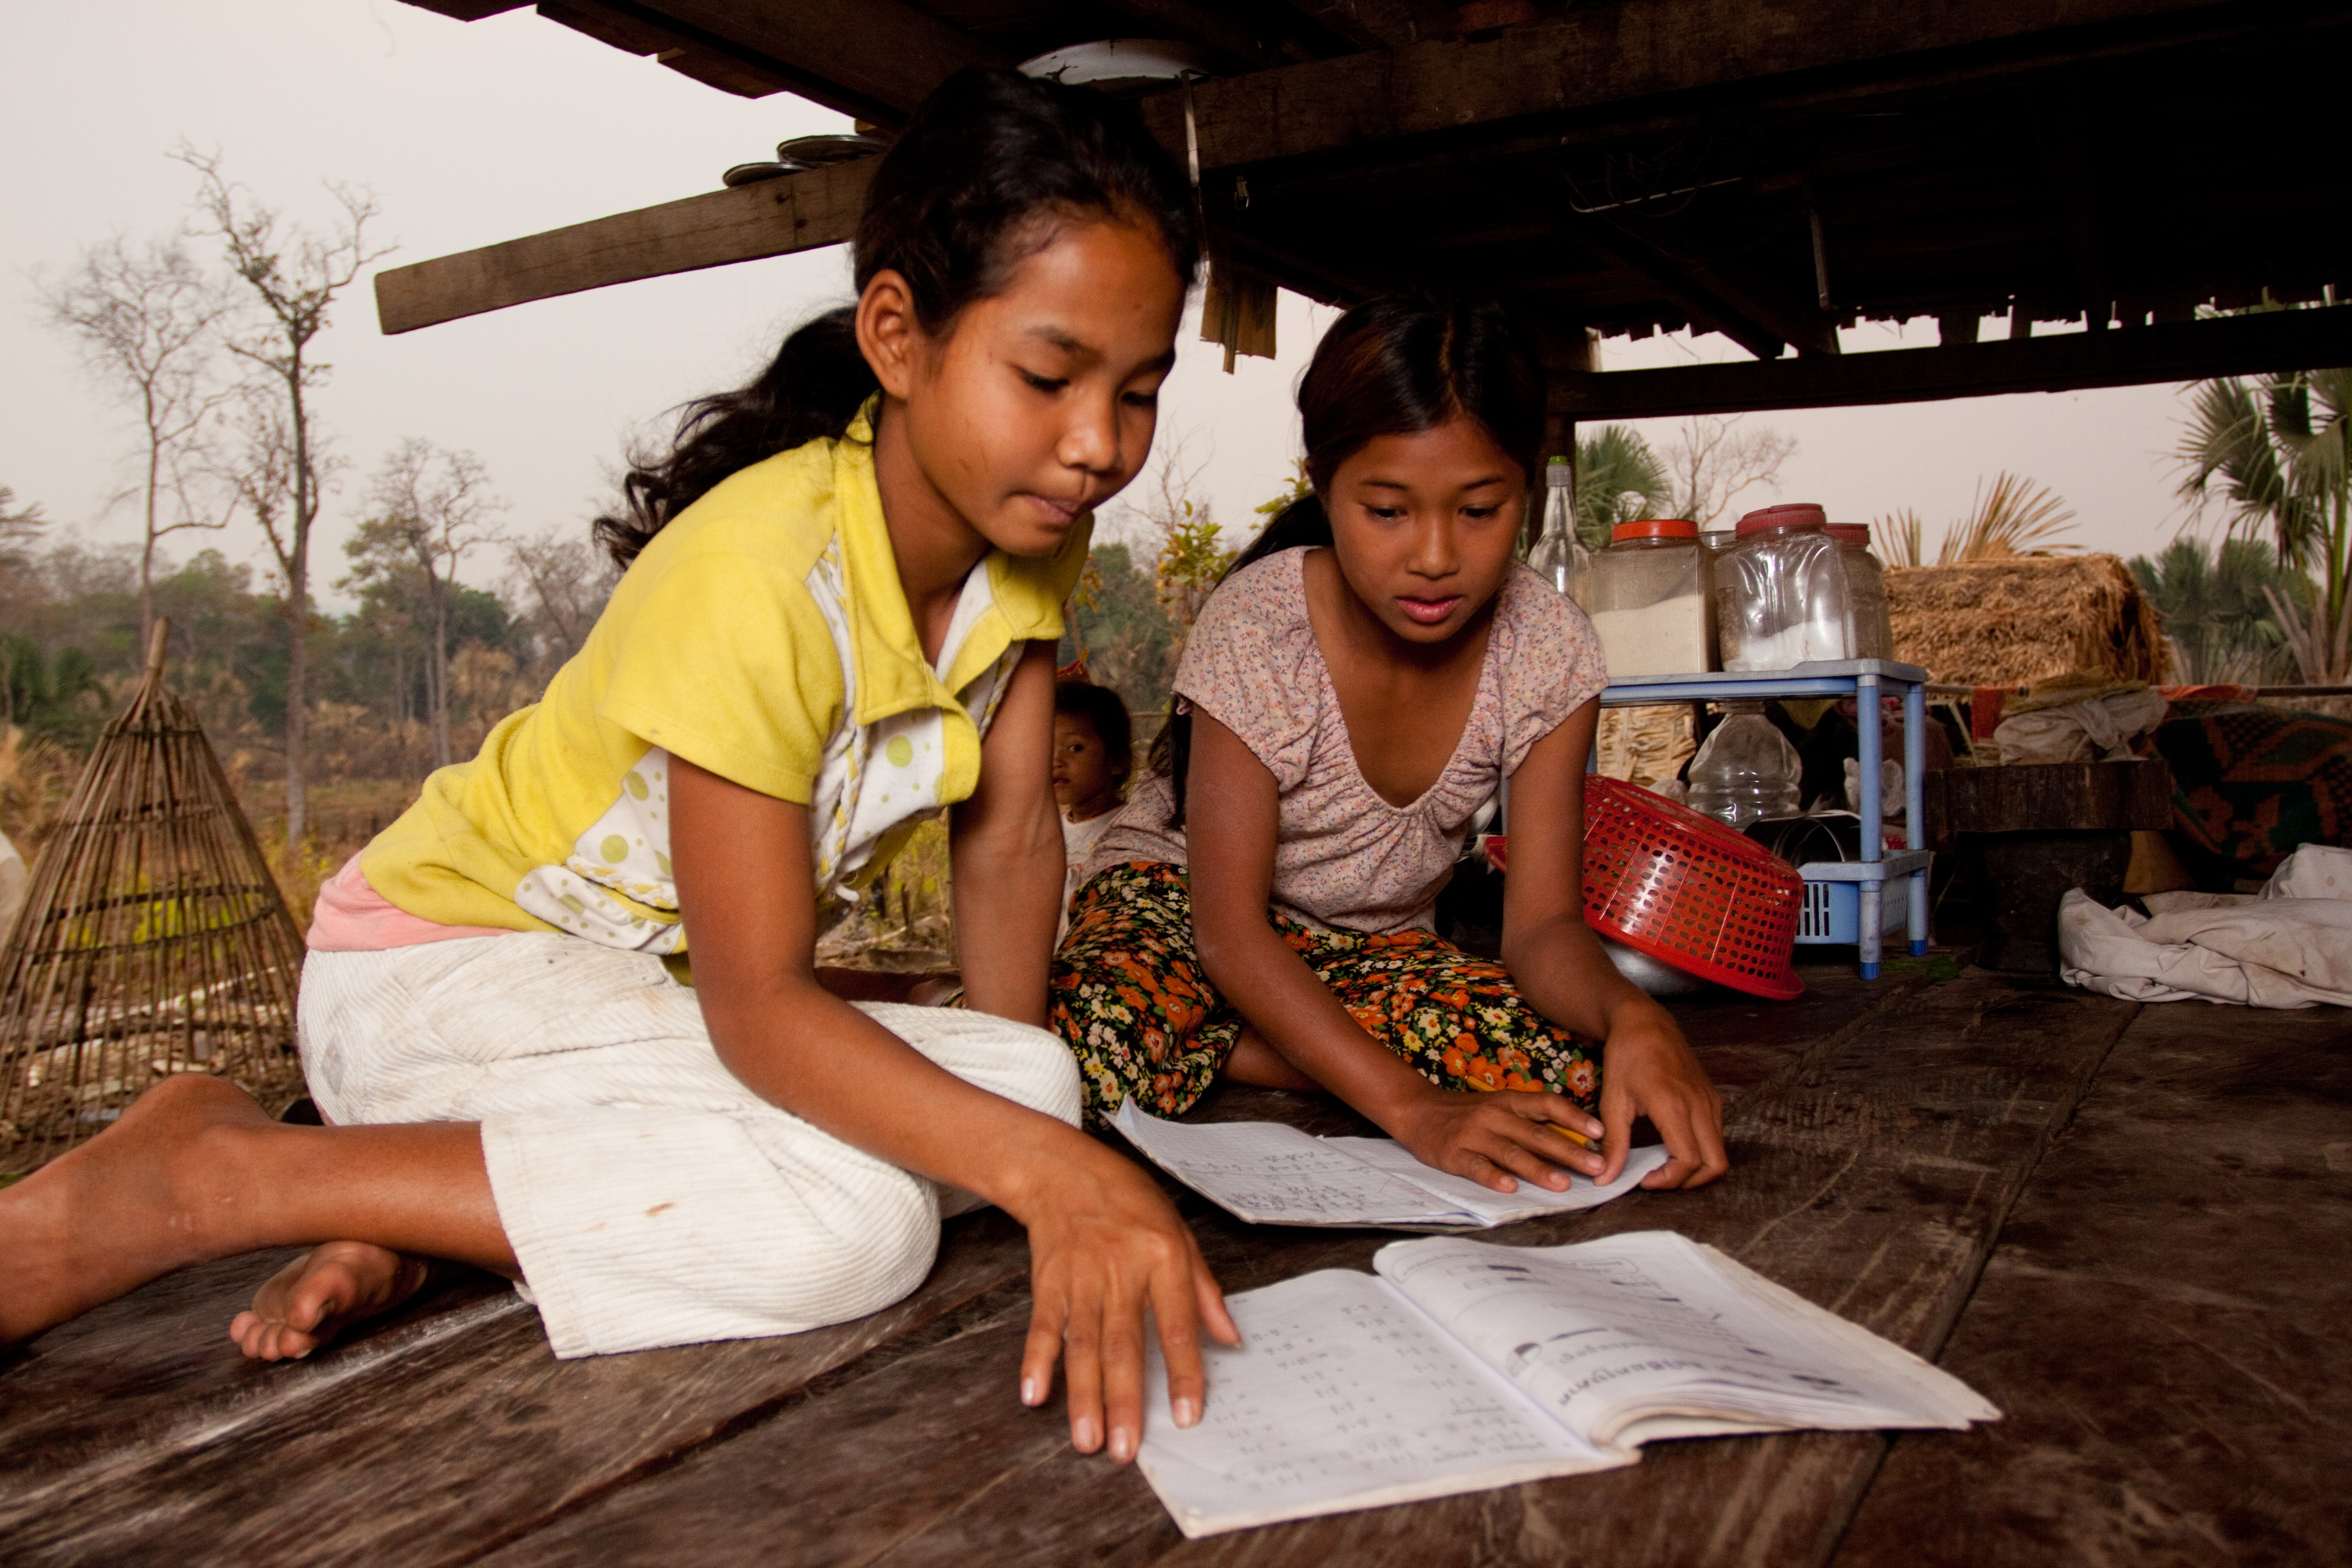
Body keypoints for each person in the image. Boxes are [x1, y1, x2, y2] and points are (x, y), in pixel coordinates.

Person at [0, 66, 1234, 1467]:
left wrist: (1024, 1131)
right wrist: (1047, 1180)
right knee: (853, 1226)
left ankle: (425, 1210)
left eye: (1138, 394)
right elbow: (758, 1012)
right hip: (441, 974)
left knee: (1032, 1093)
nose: (1098, 448)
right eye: (1049, 376)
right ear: (899, 334)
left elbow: (1009, 839)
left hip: (613, 1013)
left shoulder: (1028, 544)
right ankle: (222, 1173)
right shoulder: (761, 575)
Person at [1051, 294, 1729, 1197]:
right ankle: (1278, 1050)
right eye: (1386, 510)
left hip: (1366, 946)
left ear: (1527, 487)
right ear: (1323, 485)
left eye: (1480, 510)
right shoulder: (1260, 625)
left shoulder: (1548, 647)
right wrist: (1411, 1107)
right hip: (1183, 910)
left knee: (1568, 1070)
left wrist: (1634, 1016)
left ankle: (1237, 1045)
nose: (1435, 555)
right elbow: (1231, 932)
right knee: (1077, 1059)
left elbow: (1541, 929)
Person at [1050, 679, 1133, 940]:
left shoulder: (1131, 831)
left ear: (1118, 761)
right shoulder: (1048, 830)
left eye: (1076, 748)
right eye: (1047, 748)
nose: (1056, 761)